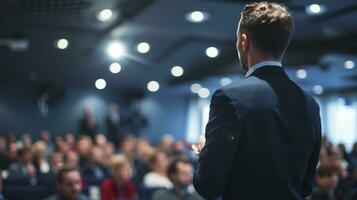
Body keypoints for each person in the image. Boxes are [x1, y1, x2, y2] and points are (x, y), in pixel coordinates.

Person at [192, 2, 322, 200]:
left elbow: (208, 187)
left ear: (244, 42)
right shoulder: (311, 104)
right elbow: (305, 187)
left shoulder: (229, 98)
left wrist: (205, 151)